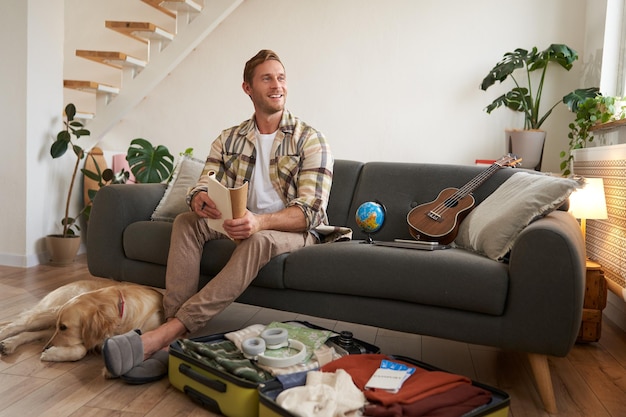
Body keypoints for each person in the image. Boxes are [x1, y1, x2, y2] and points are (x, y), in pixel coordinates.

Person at [102, 49, 336, 383]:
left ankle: (165, 335)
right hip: (239, 220)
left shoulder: (310, 139)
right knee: (185, 222)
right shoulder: (229, 138)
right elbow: (204, 182)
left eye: (281, 77)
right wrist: (198, 199)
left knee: (259, 238)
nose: (277, 85)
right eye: (267, 78)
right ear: (248, 89)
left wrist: (260, 221)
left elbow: (310, 212)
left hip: (290, 228)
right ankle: (177, 341)